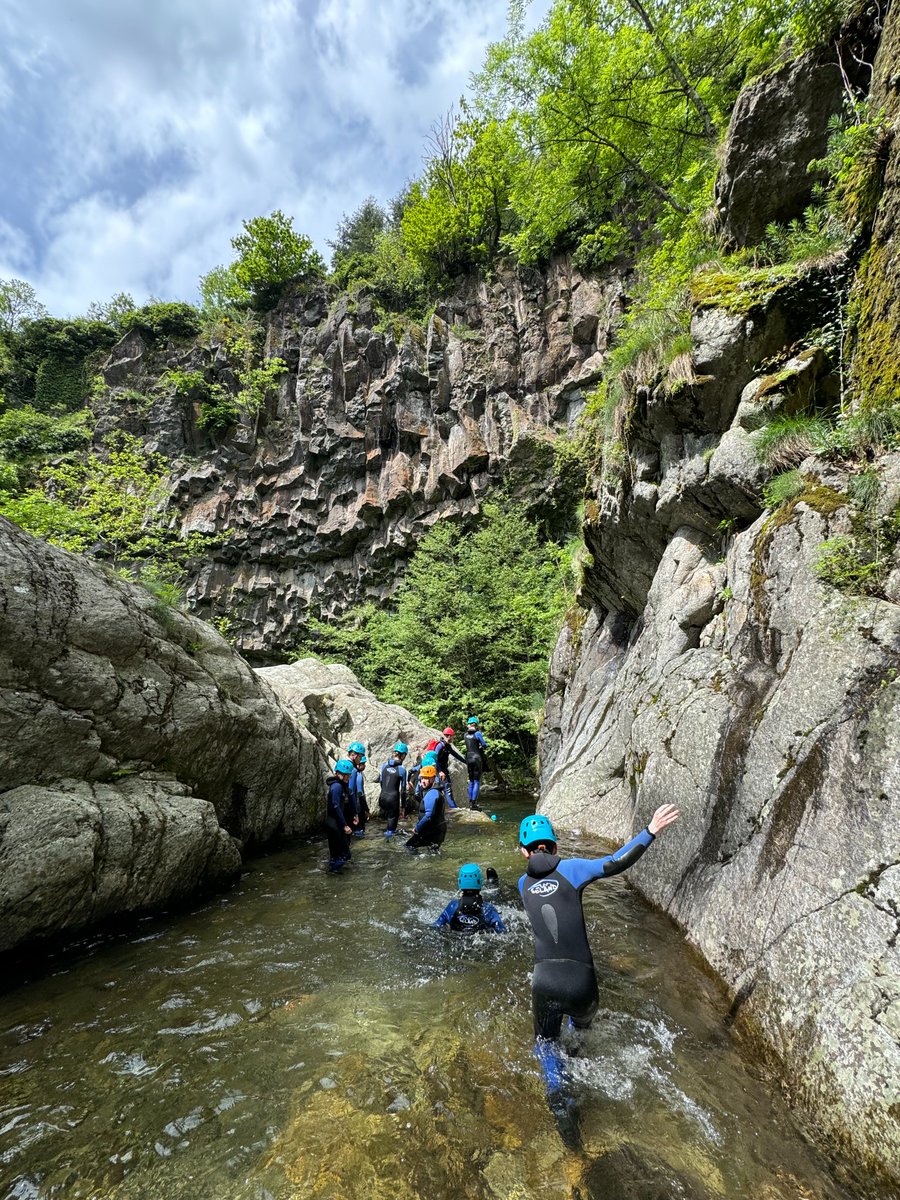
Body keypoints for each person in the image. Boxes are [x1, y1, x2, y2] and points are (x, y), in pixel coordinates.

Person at [519, 805, 680, 1043]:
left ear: (524, 852)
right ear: (555, 845)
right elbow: (616, 862)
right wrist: (651, 830)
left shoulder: (522, 884)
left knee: (546, 1047)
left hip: (544, 982)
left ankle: (554, 1080)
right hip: (581, 983)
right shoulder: (572, 868)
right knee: (579, 1038)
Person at [433, 863, 505, 933]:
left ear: (459, 882)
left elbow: (437, 925)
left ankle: (492, 885)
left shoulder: (452, 906)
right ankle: (493, 885)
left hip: (458, 939)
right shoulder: (488, 908)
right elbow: (501, 931)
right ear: (480, 882)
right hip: (479, 940)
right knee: (494, 898)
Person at [405, 764, 446, 851]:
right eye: (422, 778)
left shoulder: (432, 793)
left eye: (427, 778)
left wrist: (417, 828)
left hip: (430, 831)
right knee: (432, 853)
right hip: (439, 830)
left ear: (433, 778)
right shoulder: (438, 790)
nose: (423, 781)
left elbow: (428, 816)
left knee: (408, 846)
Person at [324, 759, 355, 871]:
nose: (347, 777)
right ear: (337, 773)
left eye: (348, 775)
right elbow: (336, 806)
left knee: (337, 854)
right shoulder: (337, 786)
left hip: (334, 823)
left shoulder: (340, 785)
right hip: (334, 824)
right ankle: (332, 871)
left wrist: (354, 815)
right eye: (345, 774)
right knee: (344, 854)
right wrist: (344, 825)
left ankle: (333, 872)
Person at [379, 742, 408, 840]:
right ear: (403, 755)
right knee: (391, 830)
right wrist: (403, 807)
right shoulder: (402, 769)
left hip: (382, 798)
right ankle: (387, 847)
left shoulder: (384, 765)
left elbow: (381, 782)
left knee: (386, 821)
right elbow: (403, 790)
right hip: (393, 800)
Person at [432, 727, 466, 811]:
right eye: (451, 736)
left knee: (447, 789)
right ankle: (452, 808)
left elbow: (456, 755)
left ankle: (452, 808)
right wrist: (439, 771)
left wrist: (466, 762)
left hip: (444, 771)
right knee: (442, 789)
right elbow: (434, 759)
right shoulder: (440, 746)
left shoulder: (447, 746)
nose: (452, 738)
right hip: (438, 771)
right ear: (449, 736)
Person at [463, 717, 488, 810]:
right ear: (476, 725)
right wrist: (484, 746)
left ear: (469, 724)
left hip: (468, 759)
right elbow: (484, 745)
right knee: (477, 781)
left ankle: (470, 802)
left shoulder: (465, 735)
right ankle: (474, 804)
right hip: (477, 759)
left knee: (471, 781)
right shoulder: (477, 734)